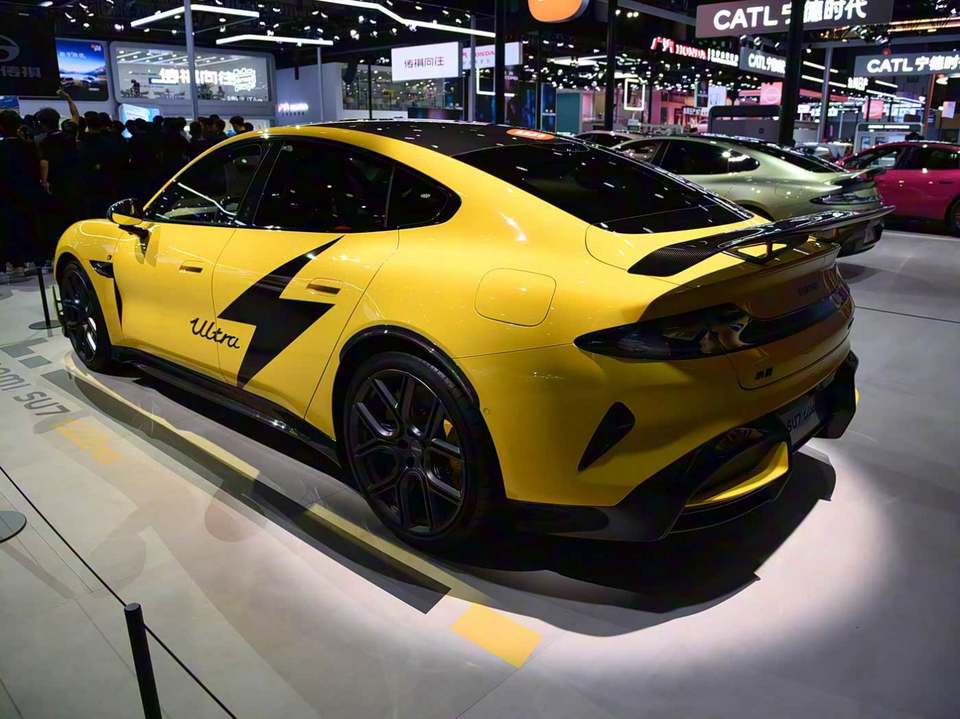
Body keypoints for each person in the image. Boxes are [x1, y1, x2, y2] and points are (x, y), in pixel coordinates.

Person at [0, 111, 43, 277]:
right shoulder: (29, 146)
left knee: (10, 228)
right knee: (29, 223)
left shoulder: (2, 148)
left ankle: (16, 263)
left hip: (6, 194)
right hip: (28, 191)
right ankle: (34, 260)